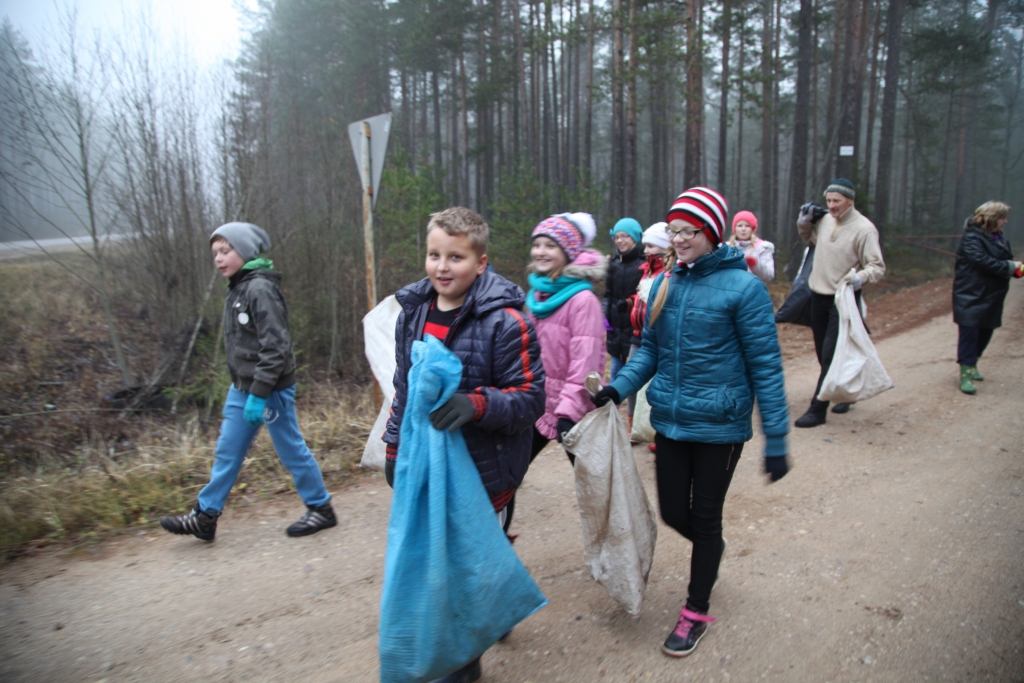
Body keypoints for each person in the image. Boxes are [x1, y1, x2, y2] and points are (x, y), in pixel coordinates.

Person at [592, 187, 790, 659]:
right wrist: (616, 390)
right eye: (673, 231)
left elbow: (767, 365)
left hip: (720, 425)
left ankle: (696, 609)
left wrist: (776, 437)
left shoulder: (745, 290)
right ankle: (710, 550)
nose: (678, 240)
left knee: (703, 517)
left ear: (712, 233)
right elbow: (652, 353)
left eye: (689, 231)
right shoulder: (667, 284)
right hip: (672, 421)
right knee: (674, 514)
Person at [382, 207, 546, 683]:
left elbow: (531, 399)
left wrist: (476, 404)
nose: (442, 267)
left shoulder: (507, 322)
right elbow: (404, 390)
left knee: (467, 566)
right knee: (437, 565)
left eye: (456, 256)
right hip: (423, 465)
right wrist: (394, 448)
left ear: (481, 262)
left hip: (482, 469)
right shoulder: (412, 313)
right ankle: (470, 629)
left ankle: (463, 663)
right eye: (434, 255)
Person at [160, 222, 336, 541]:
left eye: (226, 251)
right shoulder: (238, 286)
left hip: (270, 390)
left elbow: (276, 346)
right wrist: (248, 390)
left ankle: (321, 508)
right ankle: (205, 515)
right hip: (243, 387)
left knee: (290, 449)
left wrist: (260, 393)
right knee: (228, 451)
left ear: (245, 251)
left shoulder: (259, 288)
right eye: (215, 253)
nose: (218, 258)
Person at [794, 178, 885, 427]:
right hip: (817, 296)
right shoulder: (824, 221)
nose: (831, 205)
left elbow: (877, 267)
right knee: (825, 356)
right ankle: (845, 391)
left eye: (837, 201)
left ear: (850, 201)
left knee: (831, 355)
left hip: (843, 299)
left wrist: (859, 278)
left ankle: (817, 409)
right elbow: (812, 241)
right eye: (829, 200)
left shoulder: (865, 229)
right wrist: (803, 224)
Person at [952, 201, 1022, 394]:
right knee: (970, 334)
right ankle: (965, 372)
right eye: (1002, 218)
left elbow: (1004, 260)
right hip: (970, 294)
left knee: (986, 332)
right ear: (992, 219)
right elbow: (983, 262)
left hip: (992, 295)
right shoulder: (972, 239)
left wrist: (1018, 270)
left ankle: (973, 363)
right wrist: (1010, 266)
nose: (1005, 222)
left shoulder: (999, 237)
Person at [630, 222, 670, 452]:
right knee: (637, 385)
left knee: (655, 388)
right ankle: (639, 428)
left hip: (656, 339)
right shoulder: (646, 270)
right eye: (645, 245)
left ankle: (657, 432)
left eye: (651, 245)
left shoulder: (665, 274)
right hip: (638, 336)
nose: (645, 250)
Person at [605, 218, 646, 384]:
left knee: (634, 375)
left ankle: (632, 409)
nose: (620, 241)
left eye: (625, 236)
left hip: (635, 326)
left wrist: (629, 304)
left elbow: (644, 294)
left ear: (635, 238)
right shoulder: (614, 264)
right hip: (616, 327)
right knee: (615, 371)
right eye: (617, 237)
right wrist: (604, 315)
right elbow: (608, 294)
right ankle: (612, 407)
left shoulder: (643, 263)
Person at [727, 210, 775, 283]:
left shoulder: (763, 248)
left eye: (747, 226)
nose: (743, 229)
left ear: (753, 229)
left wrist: (755, 264)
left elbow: (769, 275)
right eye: (740, 225)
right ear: (734, 229)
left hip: (753, 291)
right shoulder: (726, 248)